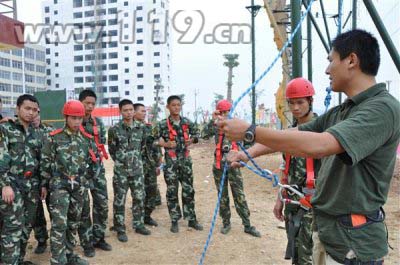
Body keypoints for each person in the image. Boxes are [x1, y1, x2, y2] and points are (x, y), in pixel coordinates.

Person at [221, 29, 399, 264]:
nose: (327, 70)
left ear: (352, 60)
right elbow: (296, 133)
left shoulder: (381, 109)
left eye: (330, 61)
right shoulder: (345, 110)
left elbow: (321, 144)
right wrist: (247, 153)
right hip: (331, 233)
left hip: (353, 244)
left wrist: (250, 131)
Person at [40, 100, 97, 265]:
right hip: (59, 186)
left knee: (73, 223)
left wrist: (85, 180)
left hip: (78, 186)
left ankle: (69, 254)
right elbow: (45, 163)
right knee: (59, 224)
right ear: (66, 117)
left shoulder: (86, 139)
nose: (77, 122)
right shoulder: (54, 138)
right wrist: (44, 184)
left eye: (79, 118)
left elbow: (94, 162)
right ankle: (58, 260)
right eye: (73, 118)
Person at [272, 78, 319, 265]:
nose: (295, 108)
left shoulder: (322, 131)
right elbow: (285, 168)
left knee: (310, 256)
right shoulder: (290, 134)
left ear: (310, 102)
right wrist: (280, 199)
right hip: (292, 200)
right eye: (291, 103)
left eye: (300, 102)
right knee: (296, 251)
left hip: (314, 204)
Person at [202, 99, 261, 237]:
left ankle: (247, 224)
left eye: (227, 111)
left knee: (239, 195)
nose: (224, 114)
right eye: (221, 112)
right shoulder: (215, 126)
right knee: (222, 196)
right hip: (219, 165)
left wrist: (242, 156)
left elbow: (248, 143)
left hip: (233, 165)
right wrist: (212, 121)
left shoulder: (237, 125)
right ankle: (226, 223)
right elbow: (204, 135)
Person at [0, 94, 42, 265]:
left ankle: (19, 259)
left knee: (27, 226)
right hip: (12, 186)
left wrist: (42, 185)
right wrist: (5, 185)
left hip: (31, 187)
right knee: (12, 228)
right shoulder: (5, 130)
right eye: (27, 108)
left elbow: (40, 162)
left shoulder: (37, 133)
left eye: (34, 110)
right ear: (17, 109)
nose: (31, 113)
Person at [153, 95, 203, 233]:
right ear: (168, 107)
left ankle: (191, 219)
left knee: (188, 190)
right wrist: (164, 143)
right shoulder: (162, 124)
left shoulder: (187, 122)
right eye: (173, 105)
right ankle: (174, 220)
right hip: (170, 163)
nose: (176, 107)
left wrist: (192, 140)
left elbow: (197, 134)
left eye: (178, 105)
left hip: (186, 161)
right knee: (172, 191)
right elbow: (153, 140)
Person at [108, 99, 151, 242]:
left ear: (134, 110)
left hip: (137, 170)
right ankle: (120, 228)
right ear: (120, 111)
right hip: (121, 172)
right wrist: (122, 161)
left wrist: (135, 160)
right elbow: (112, 149)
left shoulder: (141, 128)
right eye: (125, 110)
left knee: (139, 197)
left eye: (131, 110)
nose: (129, 112)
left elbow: (143, 147)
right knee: (120, 201)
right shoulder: (114, 129)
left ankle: (138, 224)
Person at [77, 89, 111, 257]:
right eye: (87, 103)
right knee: (83, 209)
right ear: (80, 102)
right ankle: (87, 242)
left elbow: (101, 144)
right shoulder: (72, 122)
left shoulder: (98, 123)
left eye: (92, 104)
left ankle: (99, 237)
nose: (90, 107)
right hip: (80, 173)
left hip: (97, 170)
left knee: (102, 205)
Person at [133, 103, 162, 227]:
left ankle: (147, 216)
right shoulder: (131, 128)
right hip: (136, 166)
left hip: (149, 164)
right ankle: (138, 220)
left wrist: (158, 162)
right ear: (134, 112)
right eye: (142, 111)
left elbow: (155, 145)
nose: (144, 113)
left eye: (145, 111)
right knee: (138, 194)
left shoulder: (149, 127)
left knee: (151, 191)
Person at [32, 111, 54, 254]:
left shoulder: (49, 131)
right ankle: (41, 240)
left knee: (54, 209)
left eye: (36, 114)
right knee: (36, 212)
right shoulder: (24, 132)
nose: (34, 118)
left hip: (49, 177)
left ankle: (57, 239)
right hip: (32, 178)